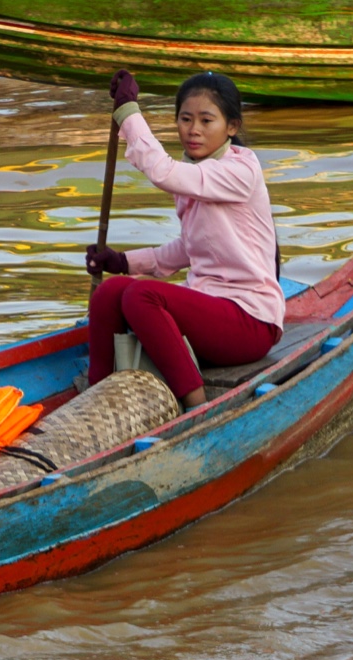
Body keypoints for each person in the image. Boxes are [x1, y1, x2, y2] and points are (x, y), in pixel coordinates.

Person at [84, 69, 284, 411]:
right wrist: (123, 262)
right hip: (210, 308)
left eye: (207, 121)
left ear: (231, 128)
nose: (194, 130)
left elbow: (161, 171)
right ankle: (96, 397)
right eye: (186, 119)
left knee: (141, 295)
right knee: (110, 292)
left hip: (251, 322)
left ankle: (195, 403)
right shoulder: (195, 168)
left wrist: (129, 113)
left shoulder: (240, 171)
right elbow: (191, 247)